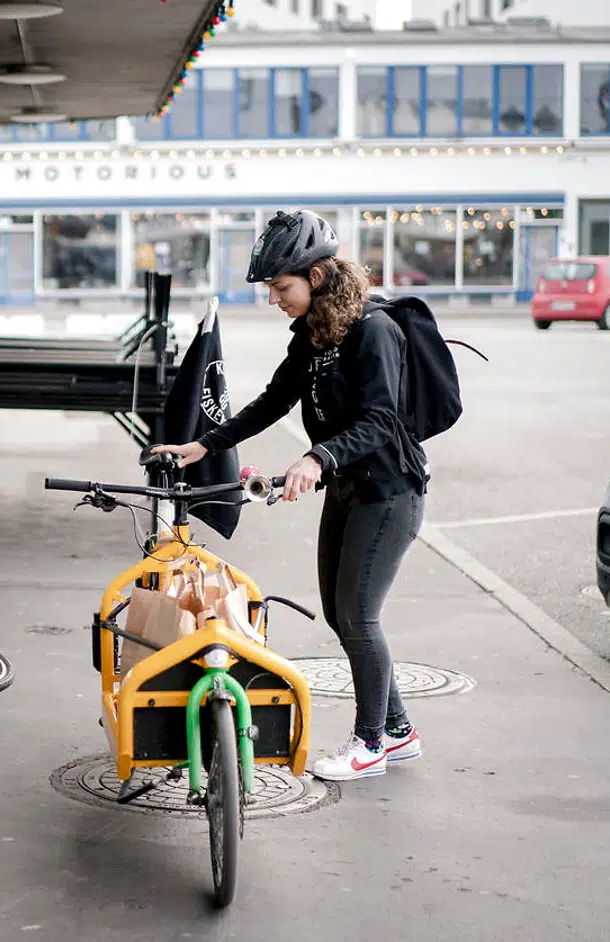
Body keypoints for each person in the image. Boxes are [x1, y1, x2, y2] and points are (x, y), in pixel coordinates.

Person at [149, 209, 428, 782]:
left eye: (281, 287)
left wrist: (316, 457)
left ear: (317, 277)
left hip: (389, 493)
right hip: (349, 488)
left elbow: (382, 421)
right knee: (341, 613)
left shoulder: (373, 331)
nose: (274, 298)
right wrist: (204, 445)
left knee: (358, 617)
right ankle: (398, 731)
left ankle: (370, 742)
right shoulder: (313, 334)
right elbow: (274, 400)